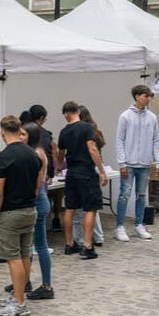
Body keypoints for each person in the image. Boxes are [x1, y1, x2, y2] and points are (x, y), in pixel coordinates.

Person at [0, 116, 41, 316]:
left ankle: (20, 302)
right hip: (30, 210)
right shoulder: (33, 154)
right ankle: (19, 295)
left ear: (3, 133)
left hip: (10, 212)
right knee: (24, 255)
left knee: (13, 258)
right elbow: (38, 184)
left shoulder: (3, 157)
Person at [57, 101, 108, 259]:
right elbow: (92, 149)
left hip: (71, 173)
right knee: (90, 209)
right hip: (85, 171)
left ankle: (69, 243)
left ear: (66, 114)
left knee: (70, 208)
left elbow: (60, 153)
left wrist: (59, 167)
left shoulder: (64, 131)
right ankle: (87, 245)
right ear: (77, 111)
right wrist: (101, 171)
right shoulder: (86, 128)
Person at [115, 85, 159, 242]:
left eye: (150, 96)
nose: (148, 99)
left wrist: (158, 161)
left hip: (145, 163)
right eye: (145, 96)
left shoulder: (152, 117)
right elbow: (119, 140)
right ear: (137, 97)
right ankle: (120, 226)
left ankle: (139, 224)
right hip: (128, 162)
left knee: (141, 195)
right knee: (124, 194)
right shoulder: (125, 116)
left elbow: (156, 140)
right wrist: (122, 162)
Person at [22, 122, 54, 300]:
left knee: (39, 245)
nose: (20, 137)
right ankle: (25, 280)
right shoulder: (37, 152)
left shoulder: (36, 154)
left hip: (37, 202)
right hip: (40, 200)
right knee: (31, 245)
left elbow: (37, 183)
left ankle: (46, 285)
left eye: (23, 135)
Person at [70, 105, 107, 247]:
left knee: (80, 208)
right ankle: (98, 237)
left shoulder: (78, 131)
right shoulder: (96, 131)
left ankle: (79, 238)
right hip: (95, 169)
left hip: (84, 170)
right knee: (93, 207)